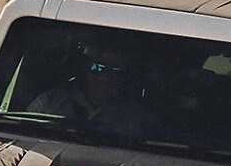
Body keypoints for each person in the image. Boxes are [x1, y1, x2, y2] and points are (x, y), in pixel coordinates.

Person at [26, 39, 158, 136]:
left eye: (115, 71)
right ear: (85, 70)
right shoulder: (49, 103)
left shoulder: (139, 119)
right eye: (98, 68)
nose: (104, 77)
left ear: (127, 78)